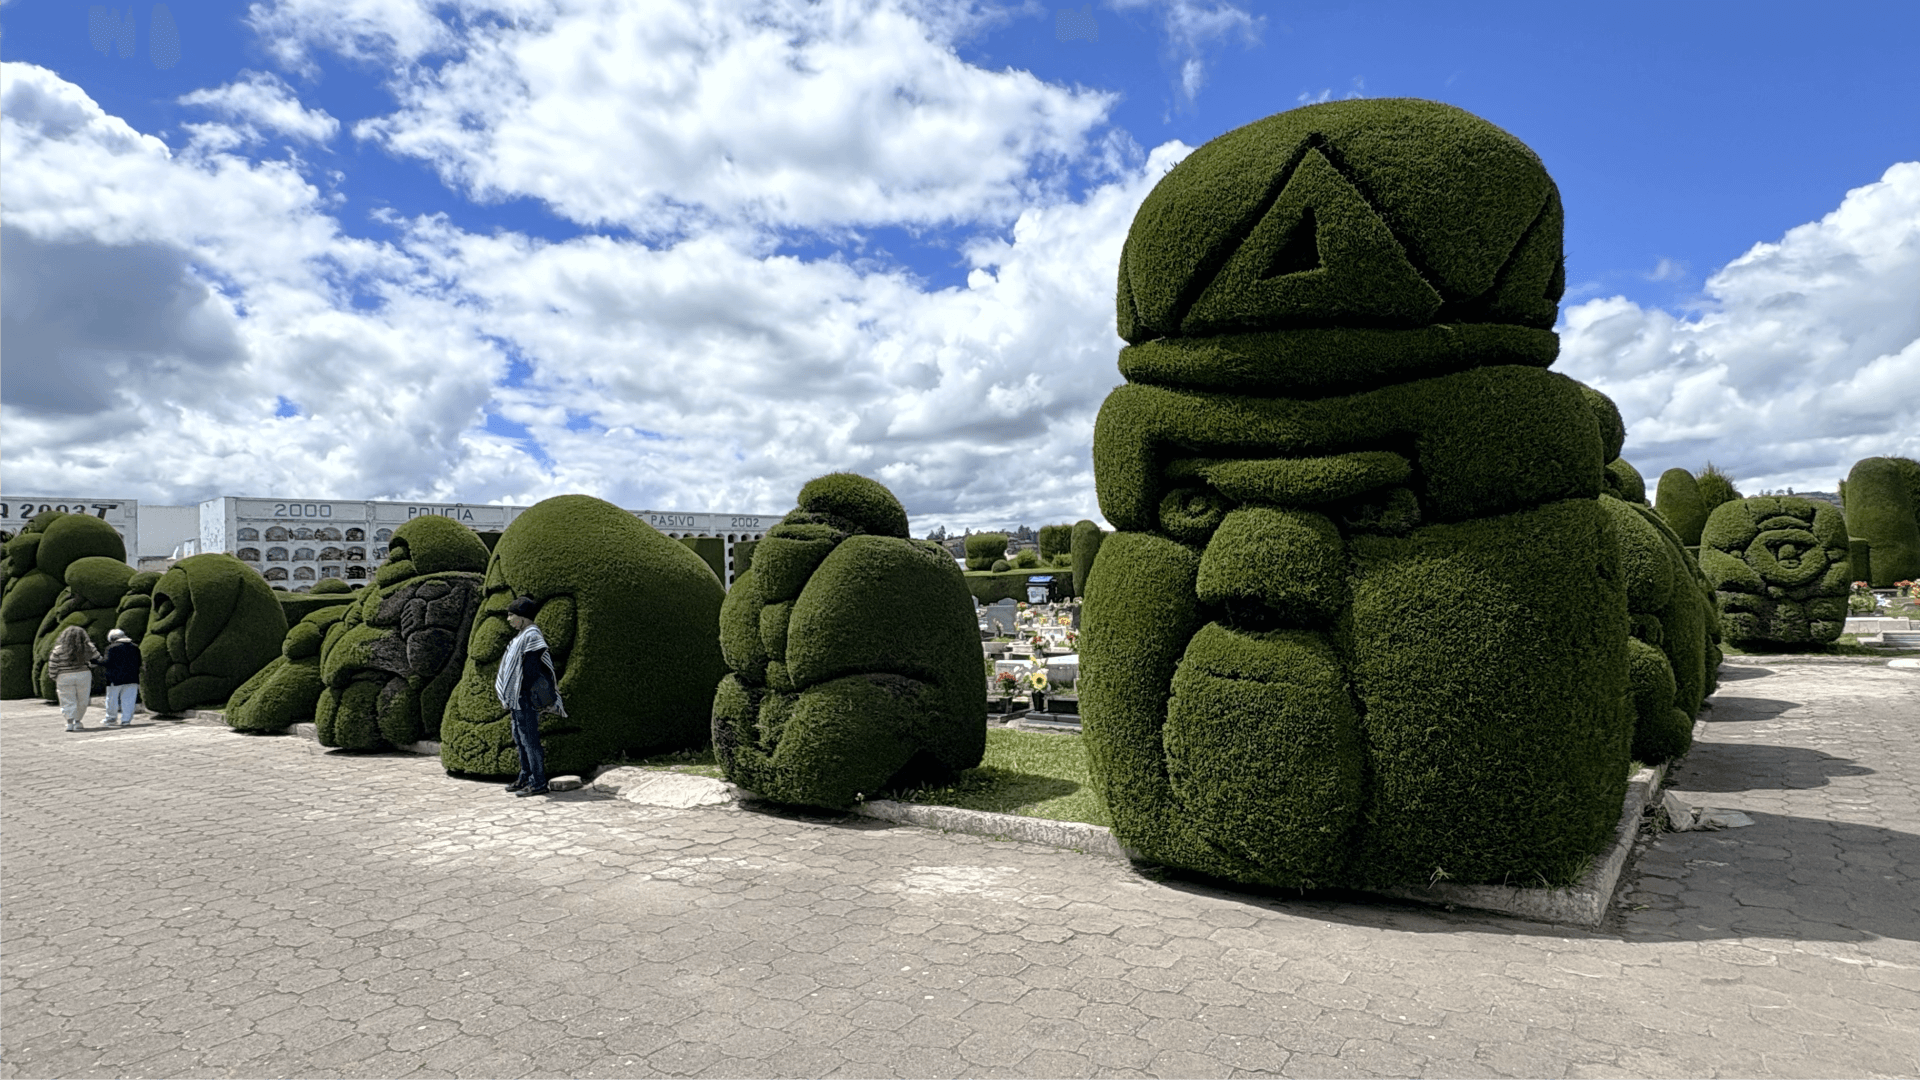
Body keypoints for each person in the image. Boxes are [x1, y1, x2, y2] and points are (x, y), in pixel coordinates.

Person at [496, 596, 566, 797]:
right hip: (517, 698)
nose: (509, 619)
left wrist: (522, 691)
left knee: (529, 740)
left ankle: (538, 782)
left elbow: (532, 668)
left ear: (523, 617)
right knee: (520, 739)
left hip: (524, 697)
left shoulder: (532, 635)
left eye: (511, 615)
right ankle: (525, 776)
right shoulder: (521, 636)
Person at [46, 624, 101, 732]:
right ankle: (78, 721)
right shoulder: (88, 647)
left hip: (64, 676)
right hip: (83, 674)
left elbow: (52, 665)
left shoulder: (58, 649)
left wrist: (53, 676)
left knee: (66, 699)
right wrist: (91, 664)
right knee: (82, 699)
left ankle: (69, 722)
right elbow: (98, 658)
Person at [100, 628, 142, 728]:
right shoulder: (135, 647)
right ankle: (126, 720)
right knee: (129, 700)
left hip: (115, 678)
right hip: (132, 677)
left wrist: (95, 661)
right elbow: (139, 662)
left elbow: (107, 662)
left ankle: (111, 718)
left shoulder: (111, 648)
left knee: (112, 699)